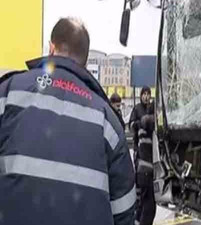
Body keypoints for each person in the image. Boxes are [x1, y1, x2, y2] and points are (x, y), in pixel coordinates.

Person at [0, 18, 135, 225]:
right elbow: (124, 208)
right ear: (85, 60)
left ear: (51, 47)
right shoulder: (107, 121)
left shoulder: (9, 94)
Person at [129, 86, 156, 225]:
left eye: (148, 94)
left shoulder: (152, 108)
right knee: (146, 201)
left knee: (145, 200)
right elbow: (132, 125)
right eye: (144, 94)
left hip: (147, 159)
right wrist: (140, 124)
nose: (146, 96)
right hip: (141, 154)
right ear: (141, 95)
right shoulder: (137, 108)